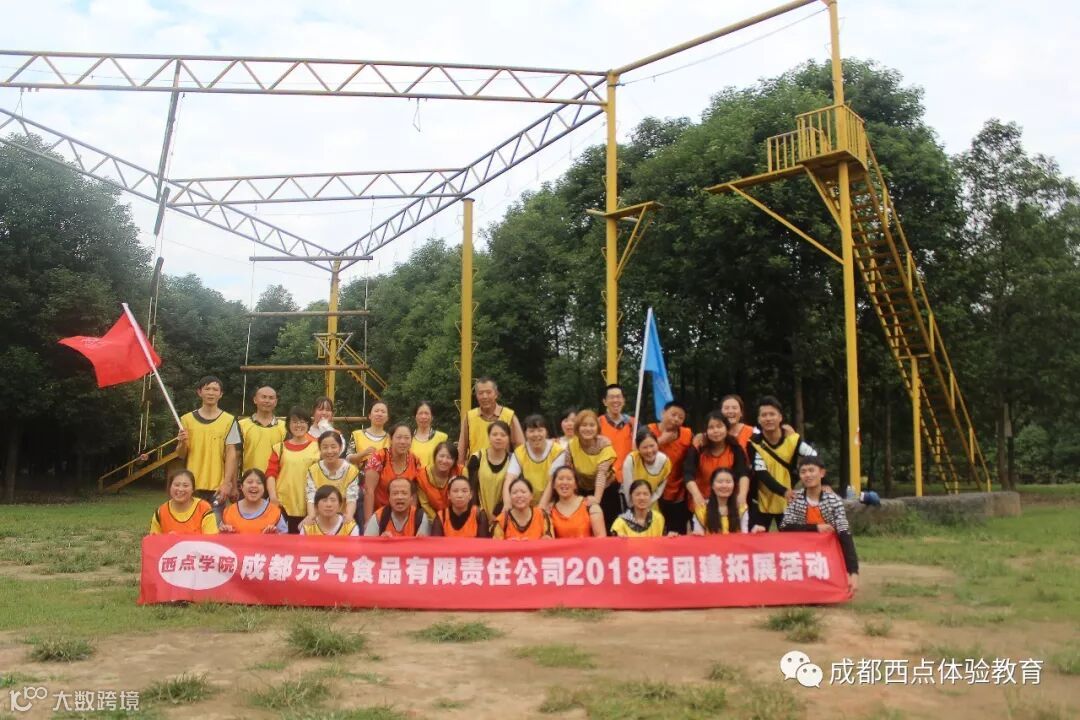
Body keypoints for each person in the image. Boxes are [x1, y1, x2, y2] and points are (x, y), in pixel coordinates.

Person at [781, 457, 859, 593]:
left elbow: (844, 533)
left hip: (828, 553)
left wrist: (853, 571)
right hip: (802, 553)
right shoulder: (795, 499)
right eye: (803, 472)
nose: (807, 475)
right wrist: (815, 528)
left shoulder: (834, 500)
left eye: (811, 470)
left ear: (822, 473)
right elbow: (785, 527)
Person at [748, 396, 815, 531]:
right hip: (762, 500)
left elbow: (813, 457)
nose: (768, 418)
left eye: (772, 414)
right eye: (764, 415)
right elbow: (761, 473)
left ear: (780, 417)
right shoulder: (754, 443)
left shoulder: (793, 440)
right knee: (756, 540)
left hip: (788, 501)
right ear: (759, 420)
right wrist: (783, 491)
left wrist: (814, 479)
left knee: (792, 539)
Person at [176, 376, 241, 507]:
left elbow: (231, 454)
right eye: (207, 389)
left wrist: (227, 483)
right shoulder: (186, 420)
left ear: (221, 394)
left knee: (215, 521)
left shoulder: (229, 420)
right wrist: (182, 442)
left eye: (215, 389)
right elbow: (181, 454)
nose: (211, 393)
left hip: (217, 487)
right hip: (191, 486)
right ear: (199, 392)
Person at [546, 410, 617, 526]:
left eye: (592, 425)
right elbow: (568, 473)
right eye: (584, 425)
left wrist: (596, 500)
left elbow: (602, 473)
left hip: (605, 489)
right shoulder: (572, 445)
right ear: (577, 427)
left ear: (597, 428)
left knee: (606, 523)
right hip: (582, 488)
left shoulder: (604, 444)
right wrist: (557, 500)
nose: (588, 429)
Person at [266, 406, 322, 533]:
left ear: (308, 424)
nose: (299, 425)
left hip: (310, 505)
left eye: (302, 422)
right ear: (288, 425)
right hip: (283, 504)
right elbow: (271, 474)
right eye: (295, 422)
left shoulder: (318, 448)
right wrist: (273, 497)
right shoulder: (279, 448)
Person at [684, 411, 751, 512]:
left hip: (729, 501)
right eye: (711, 427)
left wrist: (742, 495)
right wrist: (696, 495)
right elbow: (688, 474)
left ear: (726, 428)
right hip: (702, 501)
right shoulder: (698, 448)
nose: (715, 430)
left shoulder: (735, 448)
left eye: (719, 426)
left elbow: (743, 473)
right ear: (706, 431)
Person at [646, 400, 693, 535]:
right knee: (655, 531)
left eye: (681, 417)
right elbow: (637, 453)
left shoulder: (687, 434)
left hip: (677, 490)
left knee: (677, 533)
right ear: (663, 413)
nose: (676, 419)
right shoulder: (648, 430)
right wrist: (660, 441)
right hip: (652, 489)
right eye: (673, 415)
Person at [457, 377, 525, 464]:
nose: (485, 396)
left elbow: (520, 446)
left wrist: (520, 468)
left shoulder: (509, 416)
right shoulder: (469, 416)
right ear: (476, 396)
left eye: (489, 392)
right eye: (481, 393)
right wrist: (460, 467)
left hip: (503, 468)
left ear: (496, 394)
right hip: (475, 468)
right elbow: (462, 447)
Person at [363, 422, 422, 522]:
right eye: (398, 437)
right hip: (379, 514)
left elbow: (414, 493)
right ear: (390, 439)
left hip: (404, 515)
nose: (403, 441)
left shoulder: (415, 461)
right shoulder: (379, 458)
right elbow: (369, 491)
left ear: (411, 440)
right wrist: (368, 522)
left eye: (407, 438)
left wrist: (412, 520)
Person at [503, 414, 562, 509]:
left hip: (553, 502)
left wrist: (541, 507)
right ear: (525, 433)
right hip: (527, 503)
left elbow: (552, 481)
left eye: (540, 430)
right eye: (531, 431)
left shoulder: (558, 451)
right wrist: (507, 503)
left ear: (546, 432)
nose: (536, 434)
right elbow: (509, 478)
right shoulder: (519, 452)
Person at [305, 431, 361, 523]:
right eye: (325, 447)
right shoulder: (313, 470)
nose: (329, 451)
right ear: (320, 449)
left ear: (340, 448)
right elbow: (311, 498)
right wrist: (311, 516)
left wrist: (348, 516)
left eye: (333, 447)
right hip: (319, 518)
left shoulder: (351, 470)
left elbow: (351, 498)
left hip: (342, 518)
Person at [149, 469, 218, 534]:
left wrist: (180, 538)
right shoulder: (160, 512)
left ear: (193, 489)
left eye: (185, 486)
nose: (180, 489)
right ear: (170, 487)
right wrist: (168, 539)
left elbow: (211, 540)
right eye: (176, 485)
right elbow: (153, 540)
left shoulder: (203, 508)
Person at [220, 468, 287, 534]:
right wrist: (225, 534)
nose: (254, 485)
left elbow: (285, 538)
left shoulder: (274, 512)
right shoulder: (229, 512)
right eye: (250, 482)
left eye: (259, 483)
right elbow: (219, 538)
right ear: (241, 487)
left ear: (264, 488)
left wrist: (274, 535)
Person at [467, 420, 512, 517]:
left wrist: (498, 512)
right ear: (489, 437)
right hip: (479, 513)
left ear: (509, 438)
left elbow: (514, 489)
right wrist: (476, 509)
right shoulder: (477, 458)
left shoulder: (513, 460)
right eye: (494, 434)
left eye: (503, 435)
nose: (498, 438)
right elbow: (471, 487)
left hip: (504, 513)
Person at [237, 386, 287, 474]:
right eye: (263, 397)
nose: (267, 401)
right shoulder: (241, 425)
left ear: (275, 402)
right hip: (249, 479)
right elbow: (235, 456)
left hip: (276, 479)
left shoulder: (285, 427)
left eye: (271, 398)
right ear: (255, 400)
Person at [549, 466, 606, 538]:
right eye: (560, 479)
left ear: (576, 485)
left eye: (569, 479)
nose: (565, 482)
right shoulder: (550, 511)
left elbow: (601, 538)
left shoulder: (590, 506)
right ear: (553, 485)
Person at [364, 476, 431, 537]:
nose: (399, 497)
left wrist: (420, 540)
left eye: (404, 493)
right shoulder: (379, 516)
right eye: (395, 493)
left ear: (411, 497)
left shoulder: (420, 517)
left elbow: (424, 545)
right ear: (389, 498)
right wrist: (380, 540)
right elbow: (367, 543)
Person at [620, 428, 671, 508]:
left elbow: (658, 492)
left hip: (651, 502)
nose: (649, 451)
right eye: (645, 447)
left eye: (652, 446)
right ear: (638, 449)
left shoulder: (665, 462)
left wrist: (646, 505)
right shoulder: (631, 460)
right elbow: (628, 490)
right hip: (630, 503)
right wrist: (635, 509)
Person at [690, 467, 749, 535]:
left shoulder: (741, 508)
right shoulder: (702, 509)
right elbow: (698, 536)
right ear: (712, 485)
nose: (724, 486)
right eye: (720, 482)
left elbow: (745, 535)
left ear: (734, 485)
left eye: (728, 482)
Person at [598, 384, 635, 490]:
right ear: (605, 402)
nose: (615, 400)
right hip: (606, 479)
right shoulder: (598, 423)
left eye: (618, 397)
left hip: (629, 478)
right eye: (611, 397)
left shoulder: (633, 423)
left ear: (623, 400)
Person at [347, 400, 390, 465]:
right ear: (369, 415)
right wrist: (363, 453)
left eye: (383, 412)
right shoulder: (357, 435)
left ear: (387, 418)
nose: (379, 414)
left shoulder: (391, 439)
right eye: (376, 411)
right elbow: (348, 459)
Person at [411, 401, 449, 468]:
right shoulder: (408, 438)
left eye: (426, 413)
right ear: (415, 417)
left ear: (432, 417)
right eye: (420, 413)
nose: (423, 417)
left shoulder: (442, 438)